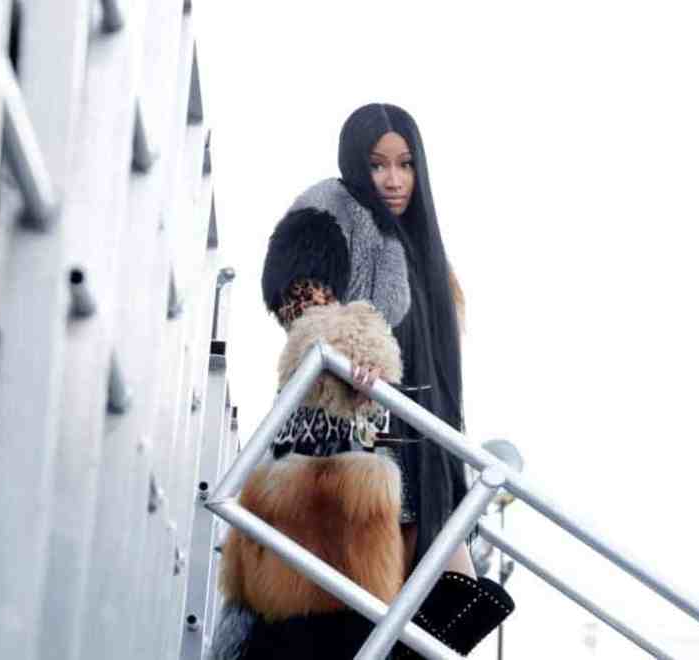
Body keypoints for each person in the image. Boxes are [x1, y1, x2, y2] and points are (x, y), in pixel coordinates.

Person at [212, 104, 513, 659]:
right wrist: (353, 344)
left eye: (404, 164)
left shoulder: (428, 255)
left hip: (424, 462)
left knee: (456, 603)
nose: (393, 180)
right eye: (377, 165)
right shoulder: (332, 206)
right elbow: (297, 290)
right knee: (320, 622)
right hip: (341, 448)